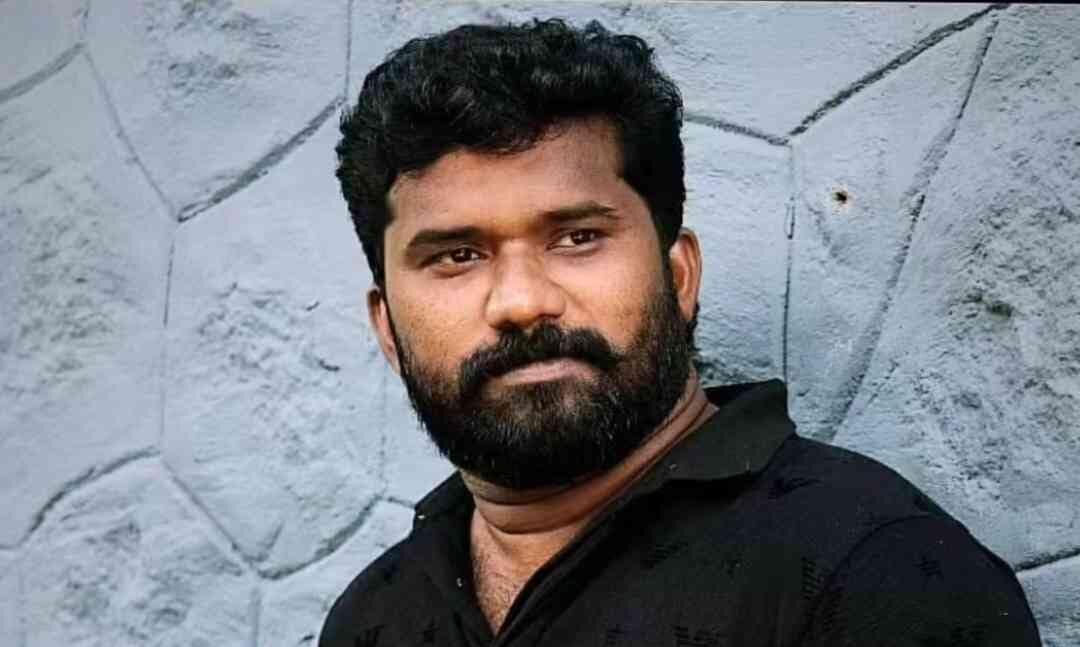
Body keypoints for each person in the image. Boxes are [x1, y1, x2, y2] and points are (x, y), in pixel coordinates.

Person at [320, 18, 1040, 647]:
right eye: (457, 255)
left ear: (680, 276)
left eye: (577, 237)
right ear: (388, 327)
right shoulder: (372, 616)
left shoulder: (873, 573)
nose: (521, 301)